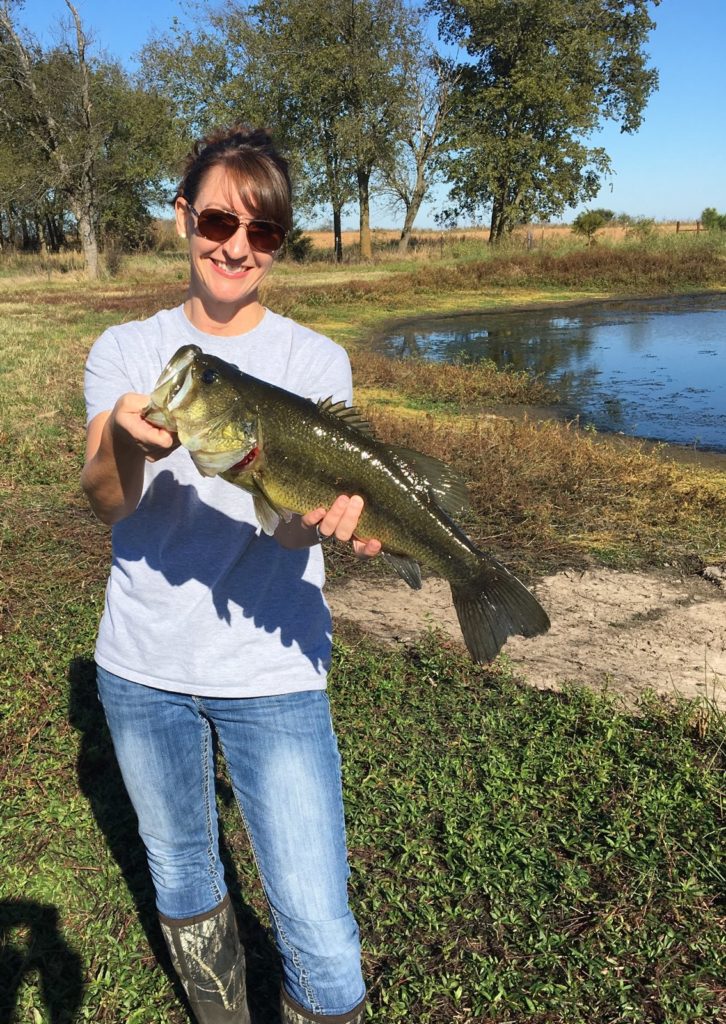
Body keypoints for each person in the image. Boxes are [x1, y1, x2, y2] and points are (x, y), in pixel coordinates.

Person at [81, 125, 380, 1024]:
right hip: (142, 666)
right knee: (180, 869)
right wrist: (126, 441)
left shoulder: (316, 361)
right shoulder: (128, 351)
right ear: (183, 217)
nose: (237, 248)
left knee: (319, 924)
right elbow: (104, 499)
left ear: (281, 241)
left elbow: (289, 535)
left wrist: (314, 520)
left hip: (272, 673)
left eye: (266, 232)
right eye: (218, 220)